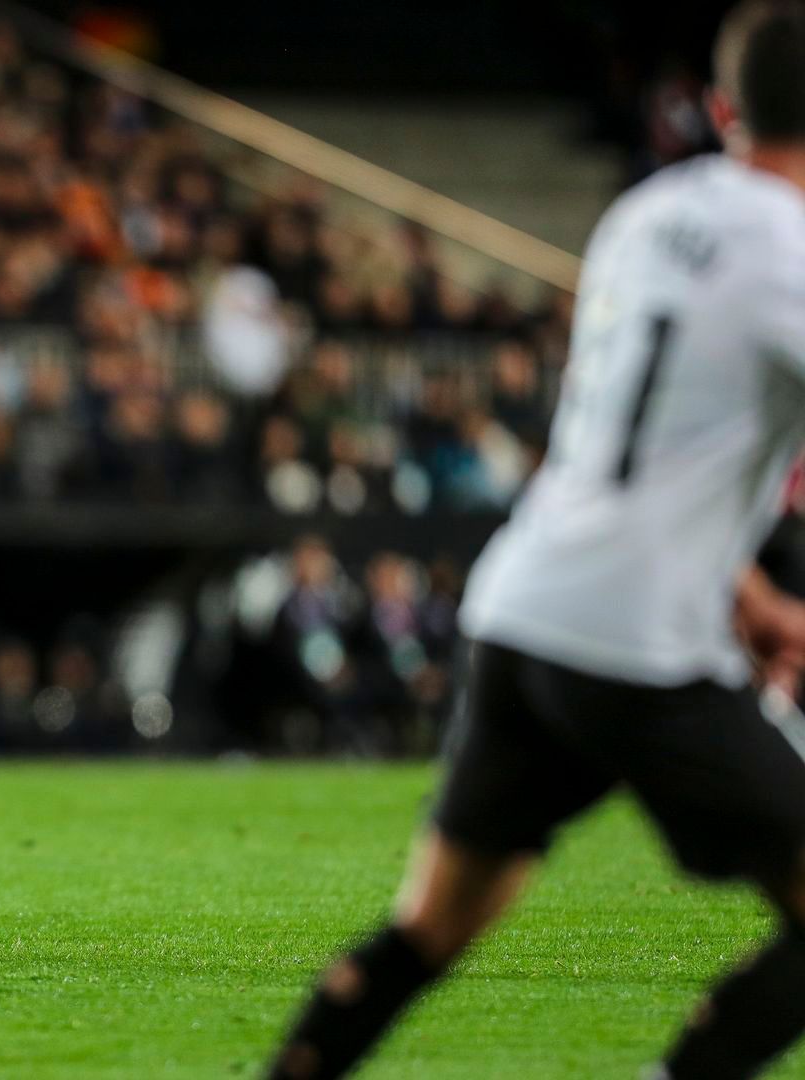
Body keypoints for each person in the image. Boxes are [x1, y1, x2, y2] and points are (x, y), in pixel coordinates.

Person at [266, 3, 805, 1076]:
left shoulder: (647, 214)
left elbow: (625, 446)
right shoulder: (790, 251)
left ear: (719, 106)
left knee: (430, 927)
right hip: (636, 645)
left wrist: (745, 597)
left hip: (525, 608)